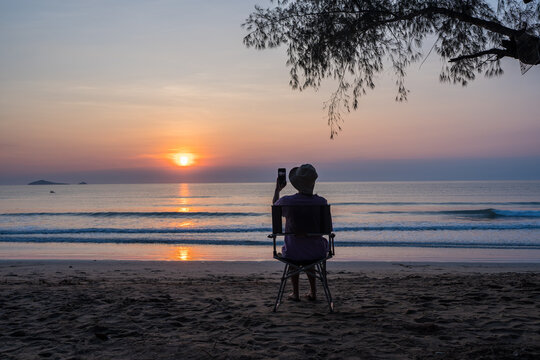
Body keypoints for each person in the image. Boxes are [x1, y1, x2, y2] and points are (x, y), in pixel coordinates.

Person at [272, 164, 329, 302]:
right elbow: (326, 229)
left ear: (296, 184)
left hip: (293, 252)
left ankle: (295, 293)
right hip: (316, 253)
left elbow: (275, 209)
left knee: (294, 253)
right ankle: (313, 292)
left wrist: (277, 189)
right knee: (310, 252)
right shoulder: (321, 202)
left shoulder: (287, 201)